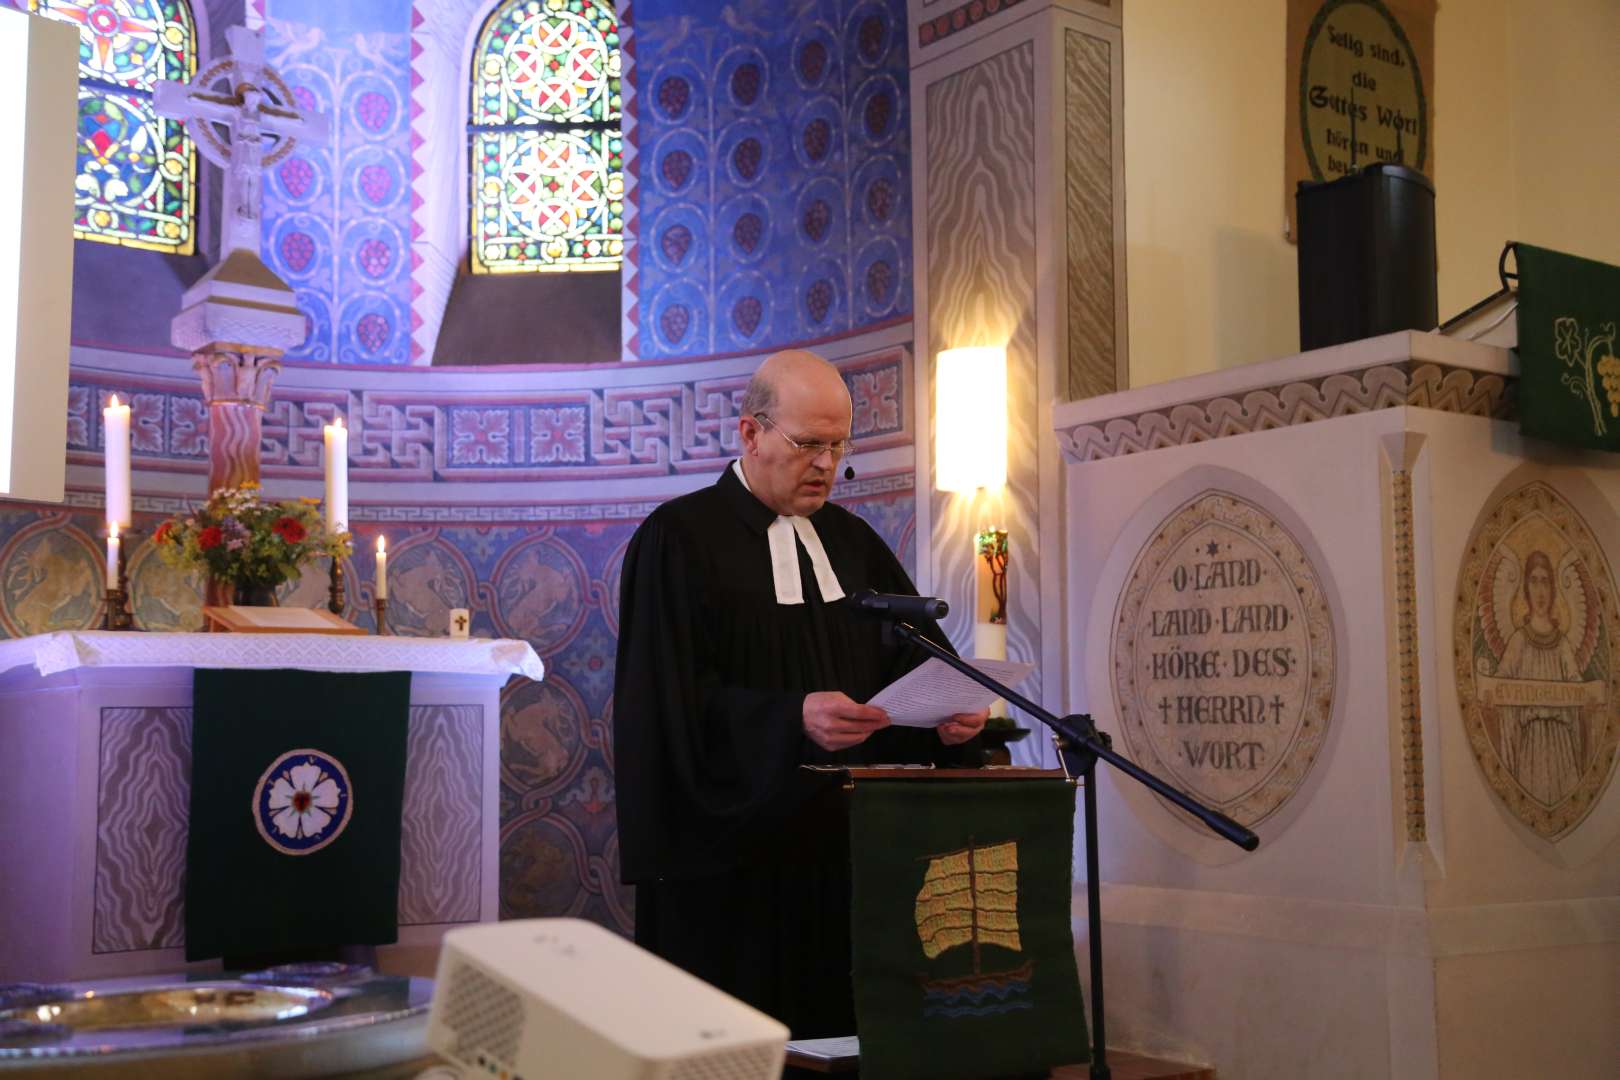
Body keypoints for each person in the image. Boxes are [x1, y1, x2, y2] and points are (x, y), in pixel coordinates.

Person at [612, 348, 988, 1037]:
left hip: (847, 861)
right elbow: (663, 712)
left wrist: (950, 715)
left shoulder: (852, 543)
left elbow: (916, 659)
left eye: (839, 445)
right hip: (732, 873)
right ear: (750, 433)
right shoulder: (678, 540)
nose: (825, 464)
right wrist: (790, 718)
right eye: (808, 444)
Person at [1494, 549, 1586, 806]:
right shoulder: (1519, 642)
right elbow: (1499, 686)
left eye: (1545, 581)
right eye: (1534, 581)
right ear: (1526, 589)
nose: (1540, 590)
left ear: (1553, 589)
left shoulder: (1562, 644)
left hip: (1561, 743)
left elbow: (1578, 687)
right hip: (1531, 746)